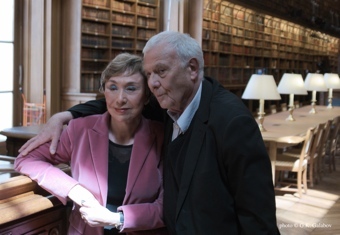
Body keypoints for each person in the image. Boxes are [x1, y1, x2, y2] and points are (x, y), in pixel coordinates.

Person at [19, 31, 280, 234]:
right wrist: (65, 115)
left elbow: (258, 219)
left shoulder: (232, 122)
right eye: (150, 74)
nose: (154, 83)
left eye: (161, 72)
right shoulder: (168, 99)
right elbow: (118, 103)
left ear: (192, 69)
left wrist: (119, 218)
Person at [15, 53, 167, 235]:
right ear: (104, 92)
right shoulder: (80, 130)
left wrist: (118, 219)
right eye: (112, 87)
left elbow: (168, 207)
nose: (120, 99)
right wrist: (74, 190)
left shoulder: (162, 137)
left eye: (131, 89)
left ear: (146, 96)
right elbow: (27, 159)